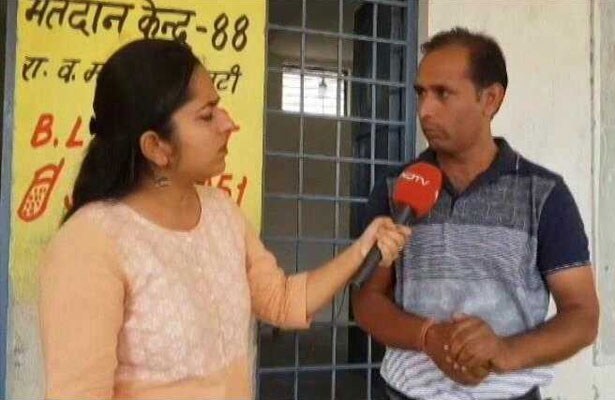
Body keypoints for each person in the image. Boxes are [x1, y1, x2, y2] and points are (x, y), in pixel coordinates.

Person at [38, 38, 411, 400]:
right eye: (207, 115)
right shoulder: (89, 245)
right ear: (156, 146)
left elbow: (281, 301)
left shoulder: (221, 213)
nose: (228, 123)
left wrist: (363, 249)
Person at [352, 27, 599, 400]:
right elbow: (367, 300)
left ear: (491, 99)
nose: (425, 110)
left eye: (443, 93)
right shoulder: (394, 190)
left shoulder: (544, 195)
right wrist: (428, 337)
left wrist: (504, 351)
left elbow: (582, 315)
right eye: (421, 93)